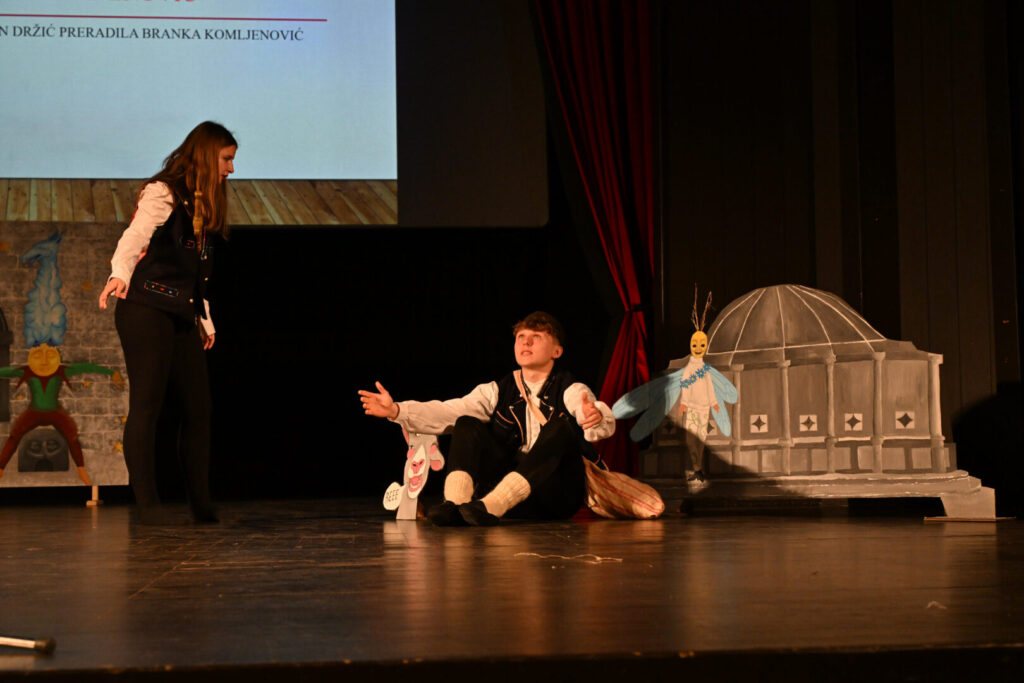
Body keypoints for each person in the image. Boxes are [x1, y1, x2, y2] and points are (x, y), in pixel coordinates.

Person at [98, 121, 237, 524]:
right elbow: (135, 236)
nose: (230, 169)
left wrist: (204, 318)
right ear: (206, 155)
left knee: (199, 408)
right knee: (147, 404)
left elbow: (195, 271)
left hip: (180, 312)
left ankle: (201, 504)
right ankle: (147, 506)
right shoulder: (163, 192)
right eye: (226, 159)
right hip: (144, 308)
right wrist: (120, 273)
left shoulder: (203, 203)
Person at [359, 311, 615, 526]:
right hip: (496, 502)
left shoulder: (571, 388)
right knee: (466, 421)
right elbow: (449, 410)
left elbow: (592, 414)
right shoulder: (497, 390)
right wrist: (397, 410)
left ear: (557, 351)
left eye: (537, 337)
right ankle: (456, 505)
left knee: (561, 427)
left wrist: (593, 416)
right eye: (521, 337)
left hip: (554, 497)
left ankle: (493, 505)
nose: (526, 342)